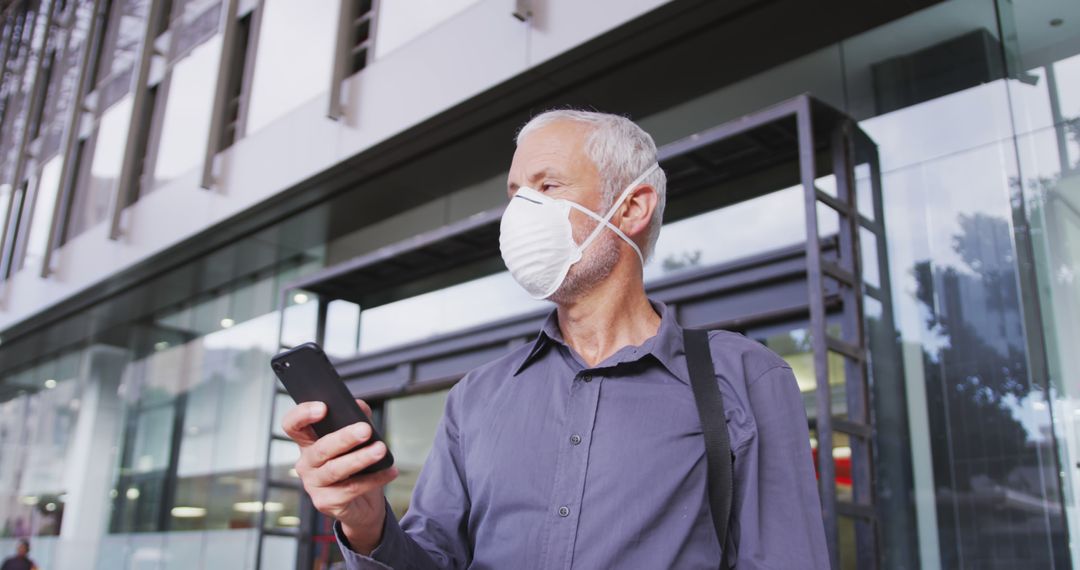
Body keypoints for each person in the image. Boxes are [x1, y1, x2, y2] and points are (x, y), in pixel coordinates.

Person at [283, 110, 830, 568]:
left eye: (548, 187)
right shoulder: (476, 398)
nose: (522, 212)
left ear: (633, 207)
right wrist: (365, 518)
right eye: (516, 193)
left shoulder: (744, 377)